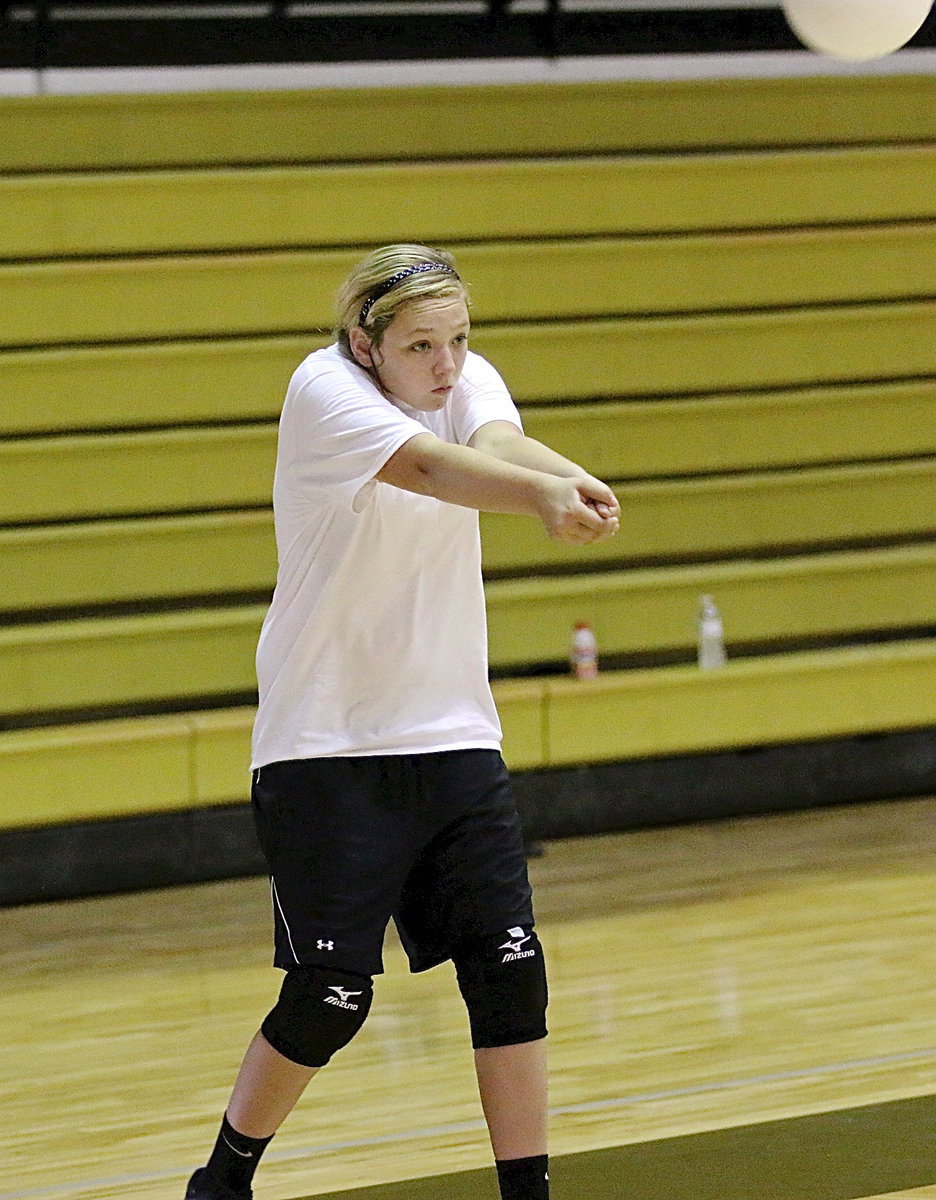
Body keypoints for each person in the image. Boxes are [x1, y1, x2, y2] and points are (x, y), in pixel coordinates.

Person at [185, 244, 620, 1200]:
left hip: (454, 731)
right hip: (326, 748)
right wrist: (542, 498)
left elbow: (495, 445)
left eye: (459, 338)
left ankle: (528, 1191)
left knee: (510, 968)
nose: (447, 364)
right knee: (330, 998)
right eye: (421, 344)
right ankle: (222, 1180)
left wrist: (568, 477)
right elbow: (429, 467)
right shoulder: (323, 392)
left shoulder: (461, 376)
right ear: (363, 343)